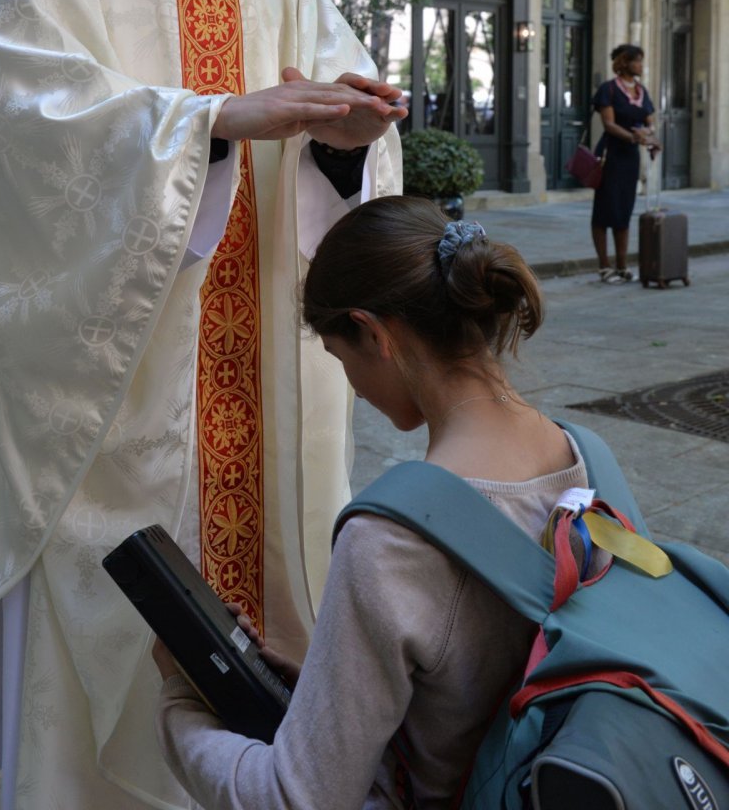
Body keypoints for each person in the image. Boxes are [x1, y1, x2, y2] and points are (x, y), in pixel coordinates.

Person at [0, 0, 403, 809]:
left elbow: (329, 150)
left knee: (250, 667)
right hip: (115, 404)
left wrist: (344, 134)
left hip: (261, 393)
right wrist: (211, 125)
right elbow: (23, 125)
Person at [153, 195, 603, 809]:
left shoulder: (393, 540)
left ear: (372, 332)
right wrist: (326, 688)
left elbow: (294, 798)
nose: (354, 389)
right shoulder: (587, 460)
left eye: (341, 358)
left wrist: (182, 701)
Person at [590, 44, 661, 284]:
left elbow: (650, 120)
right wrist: (634, 136)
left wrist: (649, 135)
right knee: (604, 211)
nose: (641, 65)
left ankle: (622, 265)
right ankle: (604, 266)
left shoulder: (641, 91)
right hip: (610, 156)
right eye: (637, 61)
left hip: (630, 157)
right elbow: (608, 124)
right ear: (624, 63)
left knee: (624, 210)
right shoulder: (609, 90)